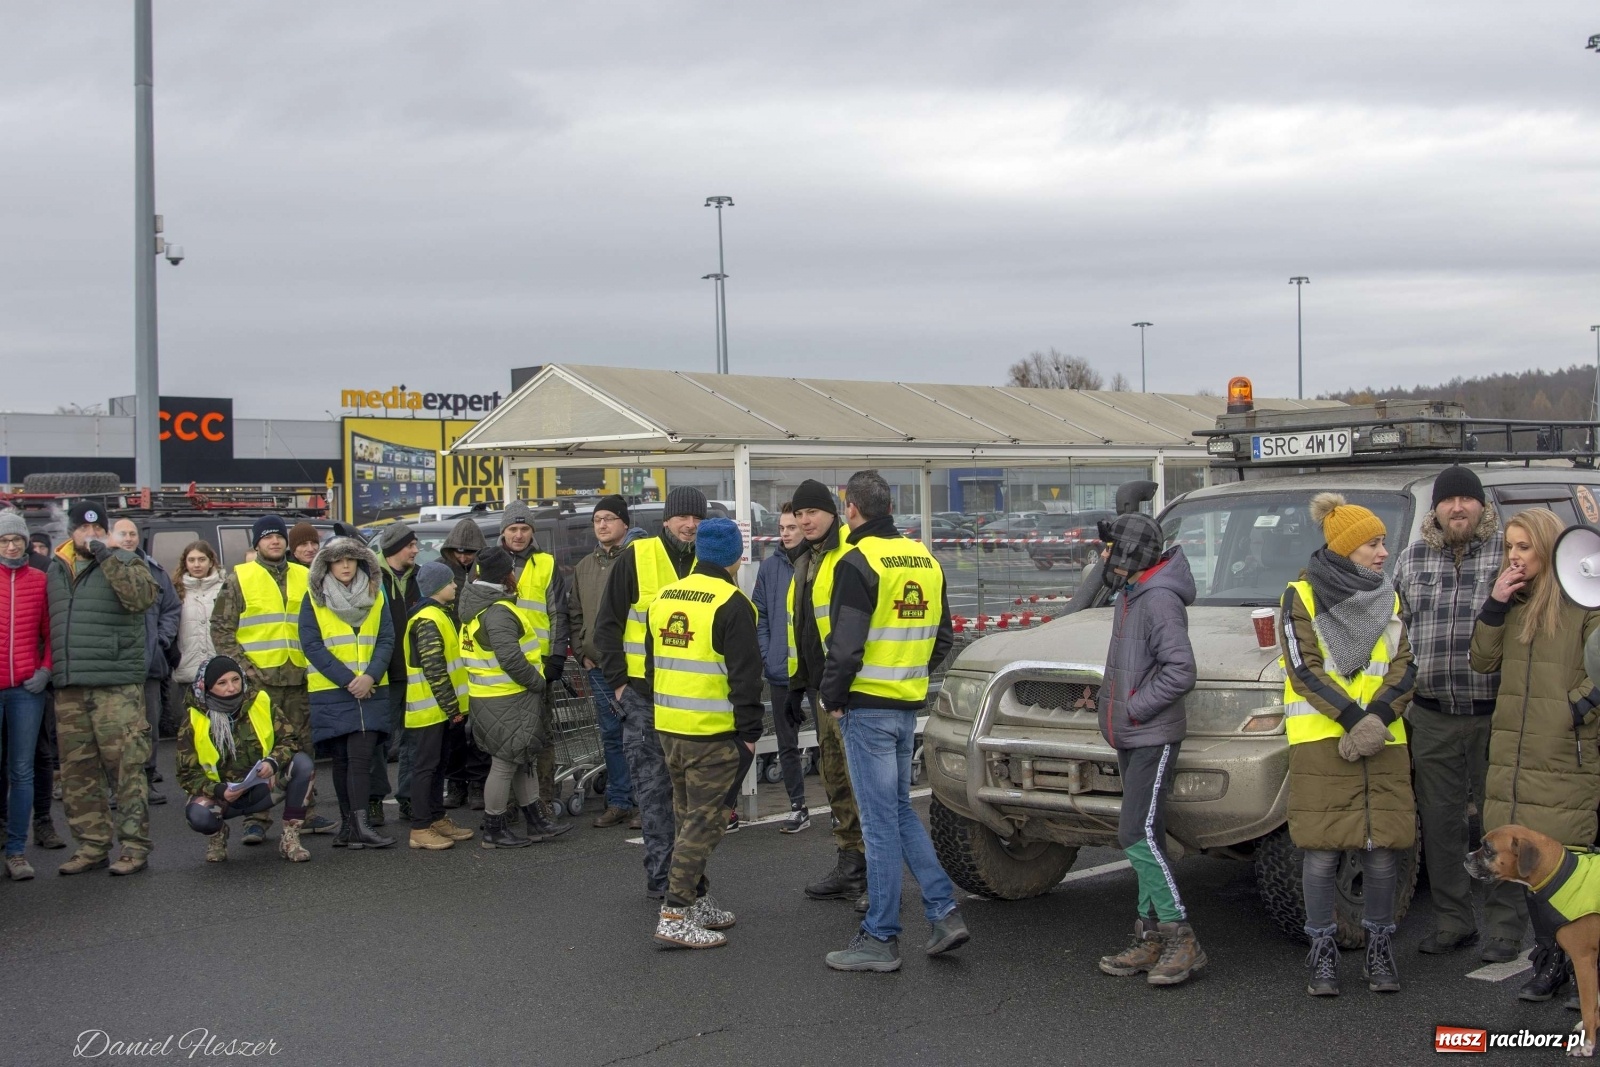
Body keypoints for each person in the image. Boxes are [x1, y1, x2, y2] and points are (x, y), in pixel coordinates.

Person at [819, 470, 968, 973]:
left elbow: (845, 645)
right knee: (899, 813)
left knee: (879, 825)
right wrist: (910, 675)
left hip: (867, 708)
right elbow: (944, 637)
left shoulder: (857, 561)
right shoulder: (924, 559)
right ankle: (943, 912)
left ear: (851, 510)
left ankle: (880, 937)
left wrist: (833, 698)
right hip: (907, 705)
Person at [1280, 493, 1416, 996]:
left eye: (1383, 543)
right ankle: (1323, 956)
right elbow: (1302, 669)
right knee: (1320, 854)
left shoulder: (1390, 595)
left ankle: (1379, 950)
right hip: (1324, 744)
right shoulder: (1301, 595)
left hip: (1383, 741)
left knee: (1382, 853)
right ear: (1346, 548)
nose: (1383, 553)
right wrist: (1354, 718)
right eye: (1373, 544)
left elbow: (1405, 666)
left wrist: (1378, 718)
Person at [1472, 506, 1600, 1005]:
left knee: (1569, 866)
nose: (1515, 556)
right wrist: (1495, 605)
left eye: (1524, 546)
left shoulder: (1586, 602)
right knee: (1535, 875)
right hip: (1515, 754)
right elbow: (1482, 662)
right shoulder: (1516, 602)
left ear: (1548, 548)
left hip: (1562, 752)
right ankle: (1551, 958)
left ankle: (1577, 960)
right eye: (1509, 546)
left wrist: (1578, 710)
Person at [1392, 467, 1515, 960]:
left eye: (1467, 500)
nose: (1457, 508)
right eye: (1449, 501)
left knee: (1500, 826)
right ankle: (1453, 922)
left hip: (1497, 715)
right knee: (1440, 825)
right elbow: (1392, 630)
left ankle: (1505, 930)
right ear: (1436, 509)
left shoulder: (1510, 553)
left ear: (1482, 507)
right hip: (1432, 716)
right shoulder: (1411, 558)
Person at [1091, 513, 1204, 985]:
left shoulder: (1157, 600)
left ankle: (1183, 938)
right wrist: (1108, 698)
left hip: (1149, 735)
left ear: (1130, 555)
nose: (1102, 555)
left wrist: (1134, 707)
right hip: (1131, 732)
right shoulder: (1132, 594)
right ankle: (1150, 936)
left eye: (1109, 547)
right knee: (1146, 837)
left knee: (1134, 834)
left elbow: (1181, 670)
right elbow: (1135, 662)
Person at [648, 518, 764, 948]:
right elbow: (746, 678)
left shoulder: (666, 596)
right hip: (713, 733)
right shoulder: (733, 604)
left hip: (670, 726)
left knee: (686, 816)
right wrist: (750, 733)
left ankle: (696, 899)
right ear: (736, 558)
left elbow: (651, 664)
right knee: (705, 823)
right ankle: (675, 912)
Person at [595, 486, 705, 898]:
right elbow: (606, 625)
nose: (690, 525)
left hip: (693, 696)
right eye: (683, 518)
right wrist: (620, 685)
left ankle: (690, 878)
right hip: (643, 695)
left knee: (692, 796)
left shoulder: (707, 562)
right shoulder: (637, 558)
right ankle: (662, 880)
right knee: (654, 791)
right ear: (666, 520)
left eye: (697, 519)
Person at [46, 502, 160, 876]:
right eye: (83, 530)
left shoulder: (127, 562)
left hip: (116, 686)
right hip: (70, 686)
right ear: (71, 531)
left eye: (98, 531)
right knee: (78, 772)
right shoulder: (55, 568)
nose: (90, 536)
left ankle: (133, 847)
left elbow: (141, 599)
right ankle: (92, 846)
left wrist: (107, 556)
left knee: (126, 769)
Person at [211, 515, 334, 840]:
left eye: (279, 536)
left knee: (303, 750)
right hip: (258, 684)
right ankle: (256, 819)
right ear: (257, 544)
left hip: (299, 678)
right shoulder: (240, 577)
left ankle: (304, 814)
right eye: (267, 538)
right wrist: (242, 670)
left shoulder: (306, 576)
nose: (275, 542)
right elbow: (221, 627)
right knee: (259, 751)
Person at [787, 479, 868, 904]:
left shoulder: (847, 556)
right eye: (799, 515)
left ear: (833, 513)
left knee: (860, 780)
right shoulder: (804, 559)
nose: (805, 520)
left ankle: (877, 871)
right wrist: (795, 683)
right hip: (820, 687)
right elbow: (800, 626)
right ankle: (850, 863)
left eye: (812, 512)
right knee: (834, 775)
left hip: (849, 689)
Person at [457, 547, 567, 847]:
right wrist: (538, 682)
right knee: (506, 762)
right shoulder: (498, 611)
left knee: (522, 759)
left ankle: (535, 820)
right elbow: (511, 658)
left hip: (491, 696)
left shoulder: (478, 604)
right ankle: (494, 827)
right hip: (507, 696)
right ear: (507, 575)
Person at [300, 536, 396, 850]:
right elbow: (312, 645)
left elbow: (386, 638)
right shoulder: (313, 597)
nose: (344, 565)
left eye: (351, 559)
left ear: (360, 562)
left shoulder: (376, 592)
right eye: (338, 560)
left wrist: (370, 676)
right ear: (326, 564)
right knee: (342, 760)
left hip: (369, 689)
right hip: (332, 690)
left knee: (361, 757)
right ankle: (349, 826)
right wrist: (348, 680)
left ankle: (359, 825)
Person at [177, 656, 316, 863]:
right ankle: (217, 835)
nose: (231, 688)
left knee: (303, 764)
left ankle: (290, 839)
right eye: (222, 683)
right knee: (198, 815)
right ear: (207, 687)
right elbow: (186, 774)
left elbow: (289, 740)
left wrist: (272, 762)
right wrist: (219, 790)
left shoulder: (260, 701)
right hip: (223, 796)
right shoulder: (194, 718)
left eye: (235, 680)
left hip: (262, 787)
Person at [499, 501, 571, 831]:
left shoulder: (546, 563)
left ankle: (543, 799)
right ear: (503, 532)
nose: (518, 535)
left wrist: (557, 655)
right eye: (513, 529)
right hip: (502, 664)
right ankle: (510, 803)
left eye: (524, 528)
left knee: (541, 734)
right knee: (508, 736)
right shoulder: (491, 563)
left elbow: (558, 612)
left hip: (539, 662)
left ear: (532, 532)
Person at [570, 495, 638, 828]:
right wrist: (581, 651)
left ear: (624, 522)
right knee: (612, 735)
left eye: (609, 518)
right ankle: (619, 801)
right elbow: (575, 612)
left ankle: (646, 801)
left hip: (632, 664)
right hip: (597, 666)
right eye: (597, 519)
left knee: (639, 734)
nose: (602, 524)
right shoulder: (584, 567)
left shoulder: (639, 560)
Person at [401, 562, 475, 850]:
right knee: (426, 768)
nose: (455, 586)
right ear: (436, 587)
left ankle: (436, 818)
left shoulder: (438, 614)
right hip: (432, 710)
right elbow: (434, 668)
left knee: (438, 766)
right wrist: (451, 708)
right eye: (450, 583)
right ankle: (420, 827)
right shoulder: (428, 619)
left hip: (439, 709)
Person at [111, 518, 180, 807]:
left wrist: (161, 640)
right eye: (122, 534)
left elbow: (172, 609)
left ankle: (148, 781)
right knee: (115, 730)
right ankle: (118, 788)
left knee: (148, 727)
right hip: (113, 668)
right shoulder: (103, 569)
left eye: (132, 533)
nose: (128, 538)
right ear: (111, 538)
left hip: (149, 664)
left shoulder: (155, 571)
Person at [0, 509, 52, 879]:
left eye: (17, 539)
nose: (12, 545)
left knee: (21, 771)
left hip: (26, 692)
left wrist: (45, 670)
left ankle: (17, 851)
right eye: (4, 539)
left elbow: (52, 634)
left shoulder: (40, 579)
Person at [752, 502, 809, 832]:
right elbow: (761, 614)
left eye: (792, 527)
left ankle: (839, 809)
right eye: (783, 528)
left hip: (815, 672)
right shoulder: (769, 568)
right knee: (787, 742)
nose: (786, 533)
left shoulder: (818, 563)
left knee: (832, 745)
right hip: (780, 671)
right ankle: (797, 806)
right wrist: (768, 653)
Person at [436, 516, 488, 810]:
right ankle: (456, 784)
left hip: (479, 660)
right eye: (459, 551)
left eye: (469, 551)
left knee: (480, 730)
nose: (464, 556)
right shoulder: (443, 577)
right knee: (455, 729)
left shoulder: (485, 574)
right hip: (453, 663)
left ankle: (479, 784)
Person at [371, 523, 420, 826]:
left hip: (414, 674)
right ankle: (374, 801)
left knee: (413, 740)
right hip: (381, 675)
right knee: (377, 742)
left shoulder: (420, 578)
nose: (415, 550)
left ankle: (409, 799)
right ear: (393, 550)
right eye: (410, 545)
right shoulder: (371, 581)